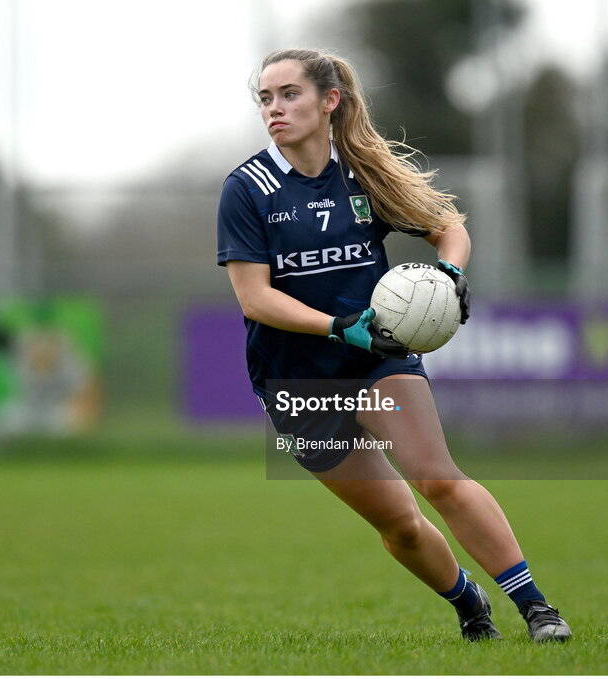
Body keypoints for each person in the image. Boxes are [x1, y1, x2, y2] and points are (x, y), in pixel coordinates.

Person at [216, 48, 571, 643]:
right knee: (400, 526)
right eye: (266, 98)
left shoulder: (363, 172)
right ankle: (466, 599)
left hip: (377, 357)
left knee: (437, 480)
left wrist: (450, 276)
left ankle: (538, 609)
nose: (274, 108)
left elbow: (448, 228)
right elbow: (255, 299)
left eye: (289, 94)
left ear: (330, 101)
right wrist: (335, 325)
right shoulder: (247, 189)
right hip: (297, 378)